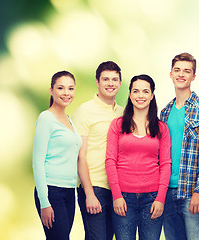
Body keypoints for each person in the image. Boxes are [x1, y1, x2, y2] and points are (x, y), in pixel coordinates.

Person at [160, 52, 199, 240]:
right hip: (167, 193)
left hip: (191, 192)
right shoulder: (164, 112)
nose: (181, 74)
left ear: (193, 76)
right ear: (170, 74)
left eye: (187, 71)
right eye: (177, 70)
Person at [105, 74, 171, 240]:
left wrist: (160, 199)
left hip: (152, 199)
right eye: (136, 91)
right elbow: (110, 161)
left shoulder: (162, 128)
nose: (140, 96)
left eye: (145, 91)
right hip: (123, 198)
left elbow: (165, 164)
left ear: (152, 95)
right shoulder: (117, 125)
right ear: (130, 94)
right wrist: (117, 195)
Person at [72, 61, 123, 240]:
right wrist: (89, 194)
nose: (110, 83)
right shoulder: (84, 111)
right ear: (97, 82)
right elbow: (80, 156)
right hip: (94, 186)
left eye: (114, 79)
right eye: (105, 79)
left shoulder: (124, 113)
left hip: (117, 189)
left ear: (120, 83)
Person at [33, 71, 82, 239]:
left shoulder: (69, 119)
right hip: (51, 191)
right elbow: (37, 161)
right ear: (51, 90)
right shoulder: (46, 118)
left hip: (69, 191)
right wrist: (44, 202)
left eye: (70, 88)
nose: (66, 93)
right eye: (61, 88)